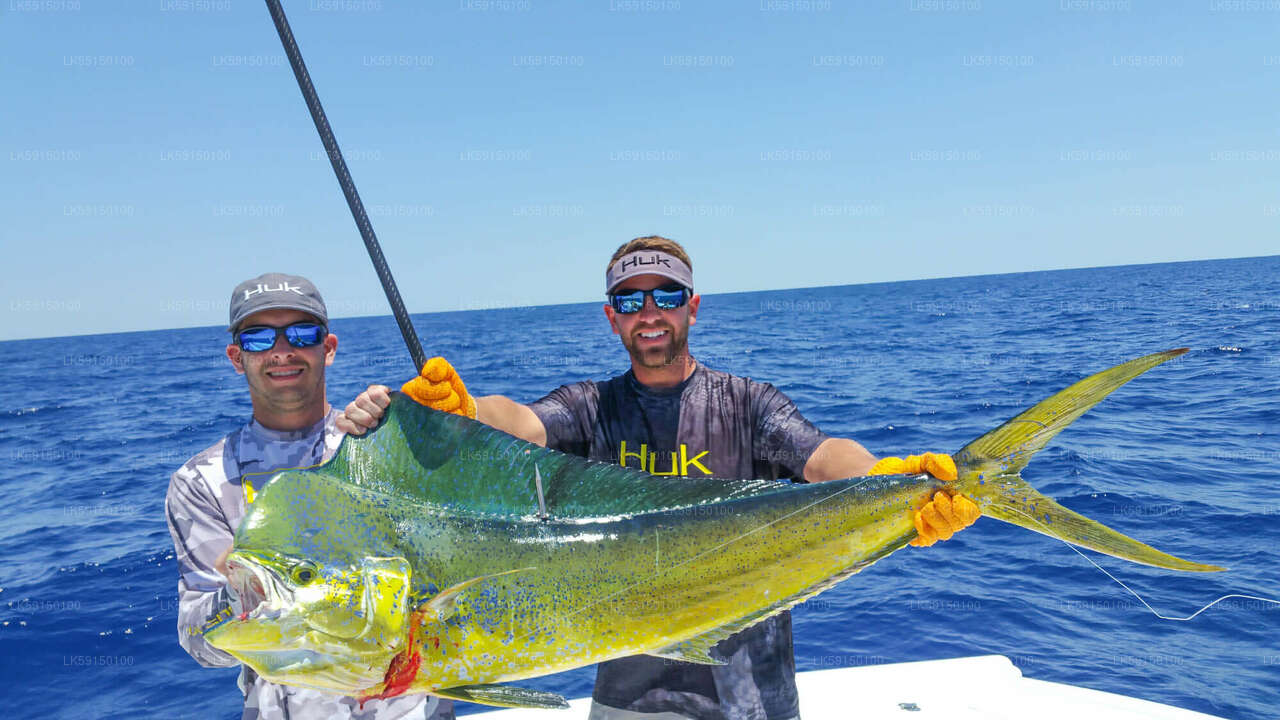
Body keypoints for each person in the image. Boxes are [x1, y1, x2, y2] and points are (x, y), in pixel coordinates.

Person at [338, 237, 979, 720]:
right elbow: (524, 424)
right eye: (630, 300)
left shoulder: (747, 403)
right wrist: (468, 411)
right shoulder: (591, 407)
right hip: (630, 698)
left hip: (753, 697)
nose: (650, 312)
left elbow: (820, 456)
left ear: (692, 308)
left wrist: (890, 480)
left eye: (666, 297)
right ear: (611, 317)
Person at [164, 272, 453, 720]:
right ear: (237, 358)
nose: (282, 350)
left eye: (302, 334)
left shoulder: (384, 448)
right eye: (259, 338)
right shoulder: (201, 481)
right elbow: (201, 645)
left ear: (328, 348)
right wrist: (243, 592)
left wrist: (423, 430)